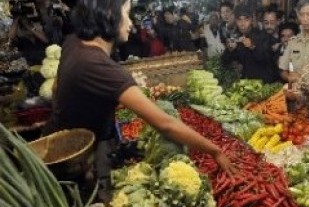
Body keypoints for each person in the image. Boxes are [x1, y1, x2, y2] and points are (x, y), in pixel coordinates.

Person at [43, 0, 236, 181]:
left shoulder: (73, 42)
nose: (130, 23)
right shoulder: (98, 65)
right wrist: (215, 151)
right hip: (68, 162)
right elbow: (166, 124)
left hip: (58, 143)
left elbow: (56, 89)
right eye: (126, 14)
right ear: (110, 15)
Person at [221, 4, 277, 83]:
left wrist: (252, 47)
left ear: (251, 20)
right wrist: (229, 50)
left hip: (264, 84)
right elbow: (224, 62)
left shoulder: (263, 36)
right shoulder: (237, 38)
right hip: (247, 84)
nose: (242, 23)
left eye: (246, 19)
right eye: (239, 20)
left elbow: (267, 59)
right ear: (236, 21)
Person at [278, 0, 309, 83]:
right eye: (302, 15)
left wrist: (303, 79)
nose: (305, 19)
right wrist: (289, 78)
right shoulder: (293, 42)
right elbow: (282, 70)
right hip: (295, 92)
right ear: (298, 17)